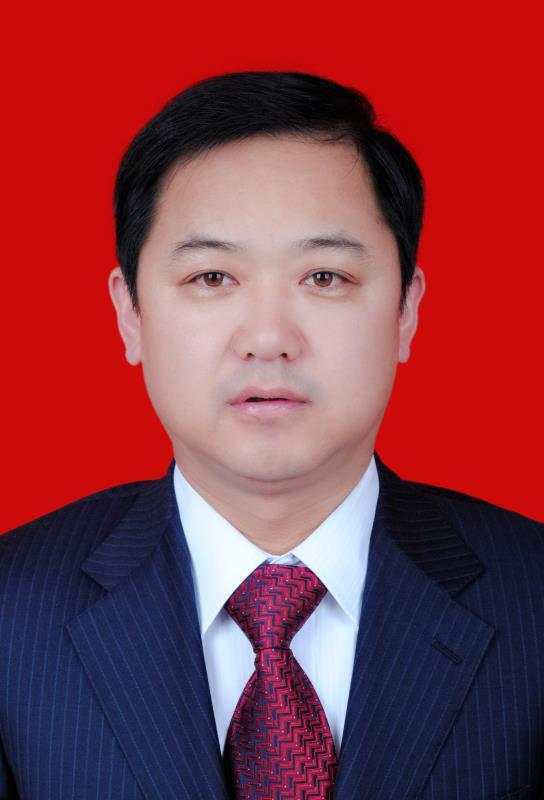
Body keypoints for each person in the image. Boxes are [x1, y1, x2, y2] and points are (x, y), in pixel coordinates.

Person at [0, 70, 542, 800]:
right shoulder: (12, 612)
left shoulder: (532, 597)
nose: (267, 338)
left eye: (324, 278)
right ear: (130, 314)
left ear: (406, 311)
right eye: (212, 277)